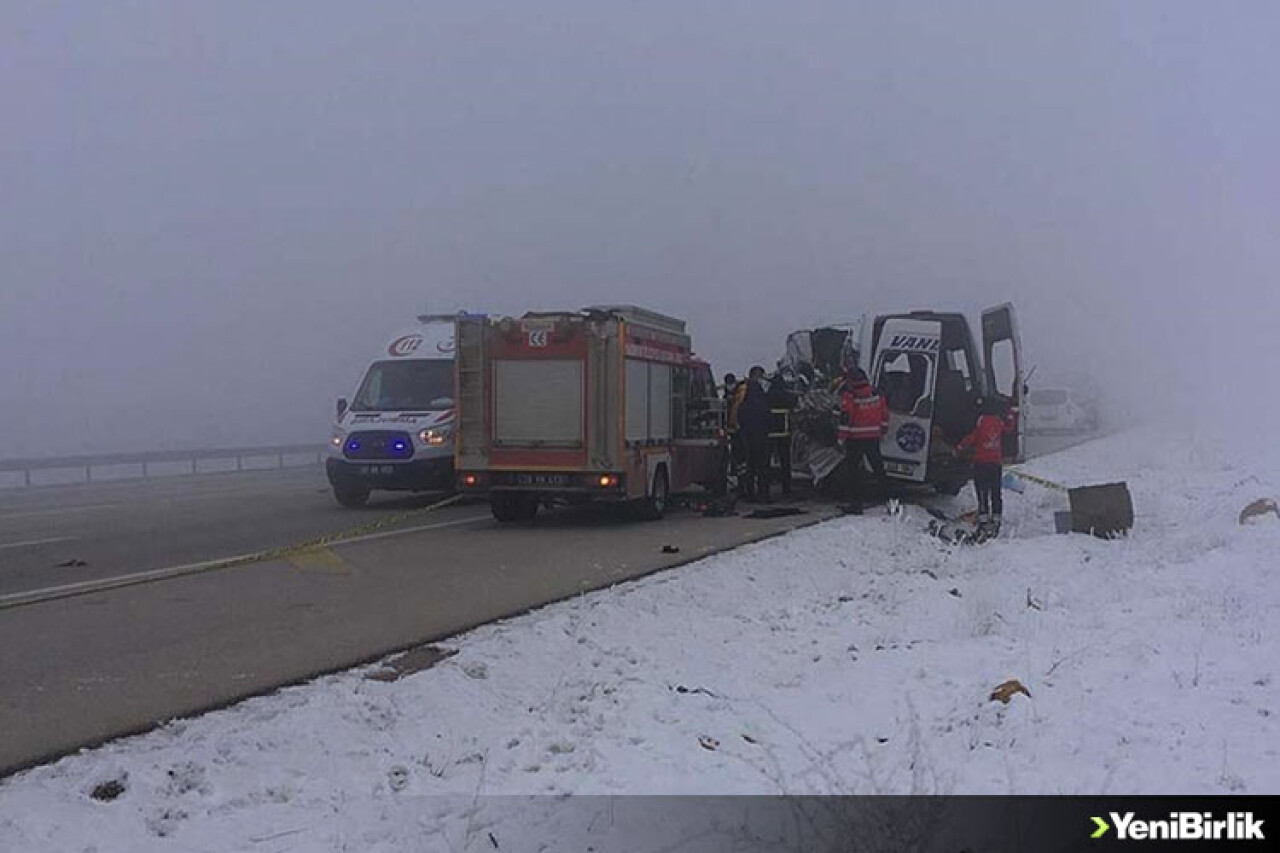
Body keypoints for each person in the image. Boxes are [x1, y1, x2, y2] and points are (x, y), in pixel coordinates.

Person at [956, 396, 1015, 538]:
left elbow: (973, 437)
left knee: (982, 491)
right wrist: (1012, 414)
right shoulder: (999, 422)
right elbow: (1009, 429)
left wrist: (960, 447)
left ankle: (983, 519)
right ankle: (996, 519)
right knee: (995, 492)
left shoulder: (981, 421)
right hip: (995, 463)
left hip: (981, 463)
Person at [837, 368, 888, 512]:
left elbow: (846, 417)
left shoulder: (850, 395)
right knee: (879, 468)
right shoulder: (876, 393)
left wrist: (841, 437)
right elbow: (884, 414)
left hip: (855, 438)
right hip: (873, 437)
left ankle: (856, 504)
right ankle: (889, 499)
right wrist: (882, 430)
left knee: (854, 472)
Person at [730, 365, 772, 502]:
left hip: (749, 432)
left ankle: (752, 493)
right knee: (760, 465)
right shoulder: (751, 390)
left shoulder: (748, 389)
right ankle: (761, 494)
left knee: (751, 465)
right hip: (756, 432)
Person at [767, 368, 799, 496]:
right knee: (785, 462)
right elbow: (794, 402)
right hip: (784, 432)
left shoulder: (767, 395)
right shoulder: (787, 395)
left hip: (769, 433)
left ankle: (765, 488)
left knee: (766, 462)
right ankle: (786, 488)